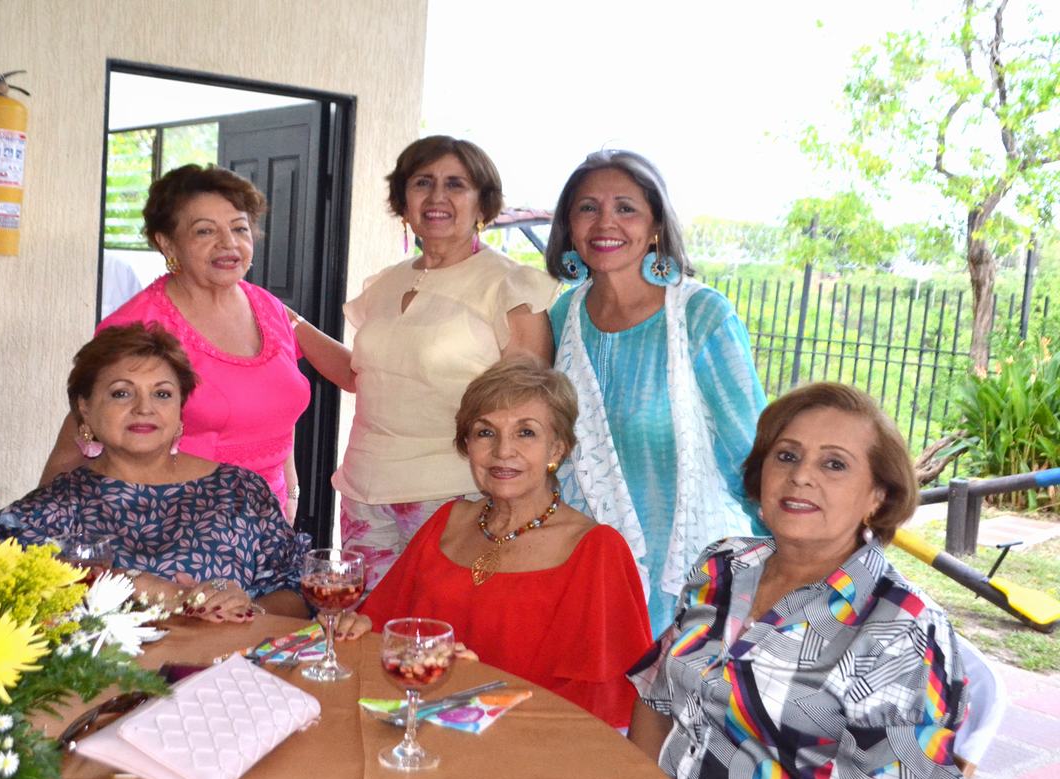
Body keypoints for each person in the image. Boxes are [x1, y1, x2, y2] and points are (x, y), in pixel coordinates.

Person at [627, 382, 978, 779]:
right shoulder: (722, 565)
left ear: (878, 496)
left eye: (834, 464)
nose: (801, 476)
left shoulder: (899, 628)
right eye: (787, 456)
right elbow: (657, 699)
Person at [291, 136, 560, 587]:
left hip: (452, 494)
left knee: (438, 632)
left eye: (456, 184)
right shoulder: (386, 284)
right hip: (364, 489)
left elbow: (527, 404)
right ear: (404, 202)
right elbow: (360, 375)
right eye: (422, 183)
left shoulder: (510, 285)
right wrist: (292, 323)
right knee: (366, 623)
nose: (437, 197)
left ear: (483, 203)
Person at [333, 359, 652, 729]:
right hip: (420, 730)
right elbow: (384, 630)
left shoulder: (596, 550)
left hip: (528, 751)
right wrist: (356, 627)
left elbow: (603, 708)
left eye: (526, 433)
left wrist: (480, 695)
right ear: (466, 444)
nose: (503, 451)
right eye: (485, 433)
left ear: (557, 449)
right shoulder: (446, 523)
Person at [546, 150, 766, 634]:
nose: (605, 222)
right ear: (569, 225)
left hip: (682, 583)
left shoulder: (702, 316)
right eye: (588, 208)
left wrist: (791, 555)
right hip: (581, 571)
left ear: (655, 227)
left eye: (626, 208)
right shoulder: (559, 320)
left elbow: (752, 451)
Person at [41, 164, 309, 521]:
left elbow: (277, 408)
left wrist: (290, 494)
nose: (228, 243)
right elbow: (83, 430)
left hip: (268, 522)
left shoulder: (269, 308)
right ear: (167, 243)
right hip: (172, 528)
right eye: (204, 231)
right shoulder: (139, 327)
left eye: (239, 228)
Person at [0, 323, 311, 622]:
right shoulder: (52, 509)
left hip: (229, 672)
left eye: (162, 394)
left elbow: (298, 594)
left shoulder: (240, 491)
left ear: (179, 409)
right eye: (121, 392)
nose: (144, 408)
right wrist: (135, 585)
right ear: (85, 409)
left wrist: (246, 609)